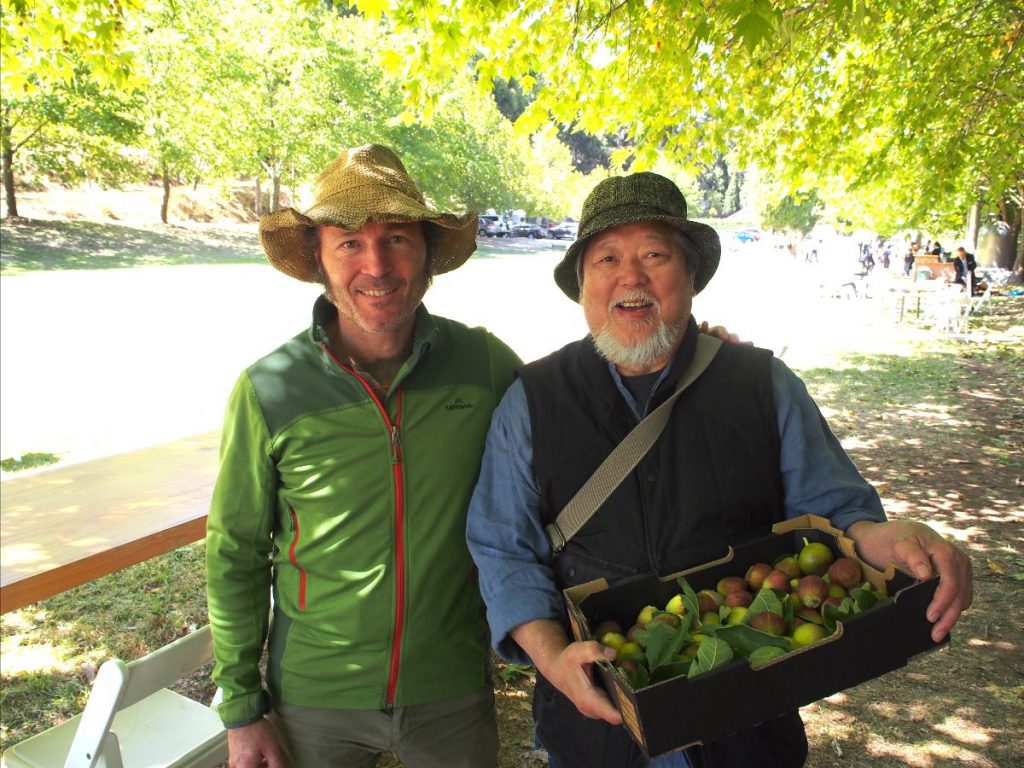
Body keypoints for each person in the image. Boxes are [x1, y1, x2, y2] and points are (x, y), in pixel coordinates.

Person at [466, 172, 974, 768]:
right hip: (596, 727)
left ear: (690, 277)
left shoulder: (764, 386)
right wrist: (552, 657)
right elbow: (504, 548)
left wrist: (894, 538)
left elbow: (839, 515)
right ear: (583, 284)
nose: (631, 277)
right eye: (607, 258)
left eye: (655, 254)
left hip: (748, 723)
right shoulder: (531, 401)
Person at [205, 144, 523, 768]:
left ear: (427, 251)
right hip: (314, 697)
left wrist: (691, 353)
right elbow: (236, 551)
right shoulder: (270, 389)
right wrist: (243, 709)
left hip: (452, 689)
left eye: (397, 238)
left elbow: (579, 417)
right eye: (348, 242)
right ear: (319, 260)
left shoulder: (484, 365)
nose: (376, 265)